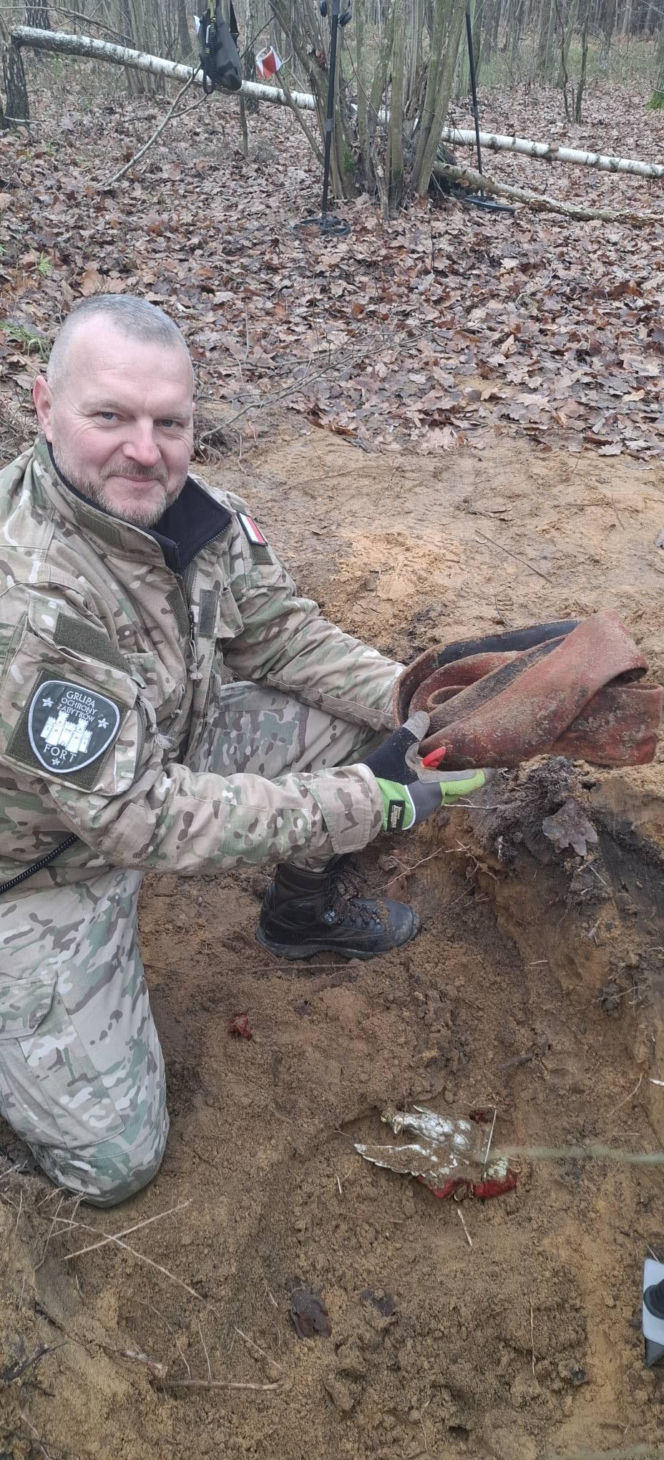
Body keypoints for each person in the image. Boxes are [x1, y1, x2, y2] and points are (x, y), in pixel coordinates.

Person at [0, 295, 485, 1207]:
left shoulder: (196, 517)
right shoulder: (25, 600)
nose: (145, 450)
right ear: (44, 406)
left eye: (169, 423)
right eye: (110, 417)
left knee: (369, 733)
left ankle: (301, 917)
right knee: (114, 1163)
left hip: (154, 754)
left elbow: (282, 635)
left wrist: (421, 705)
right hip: (37, 866)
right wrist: (364, 799)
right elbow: (138, 818)